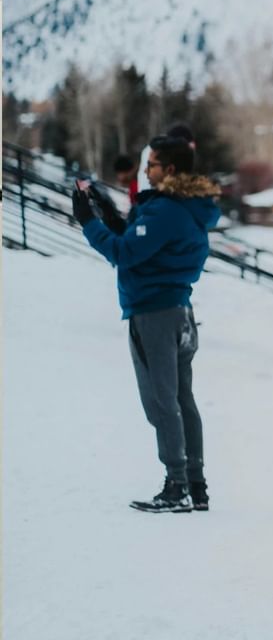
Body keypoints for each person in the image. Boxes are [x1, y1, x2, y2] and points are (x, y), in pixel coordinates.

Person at [71, 135, 221, 513]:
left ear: (168, 169)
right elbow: (141, 242)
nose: (145, 170)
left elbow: (123, 253)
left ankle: (177, 486)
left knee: (161, 401)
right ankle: (195, 484)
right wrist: (108, 213)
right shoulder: (184, 207)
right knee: (181, 399)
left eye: (150, 164)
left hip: (155, 313)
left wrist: (88, 221)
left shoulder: (166, 210)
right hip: (178, 310)